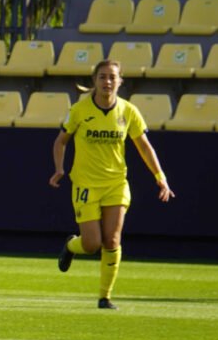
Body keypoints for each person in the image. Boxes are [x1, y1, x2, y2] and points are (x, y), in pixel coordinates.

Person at [50, 59, 174, 309]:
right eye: (102, 77)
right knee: (91, 244)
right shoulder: (79, 111)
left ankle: (104, 297)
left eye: (112, 77)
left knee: (112, 240)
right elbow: (60, 141)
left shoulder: (128, 111)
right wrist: (60, 169)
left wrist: (161, 178)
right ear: (94, 81)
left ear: (120, 81)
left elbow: (144, 147)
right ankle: (71, 245)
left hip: (116, 183)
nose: (107, 81)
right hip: (86, 183)